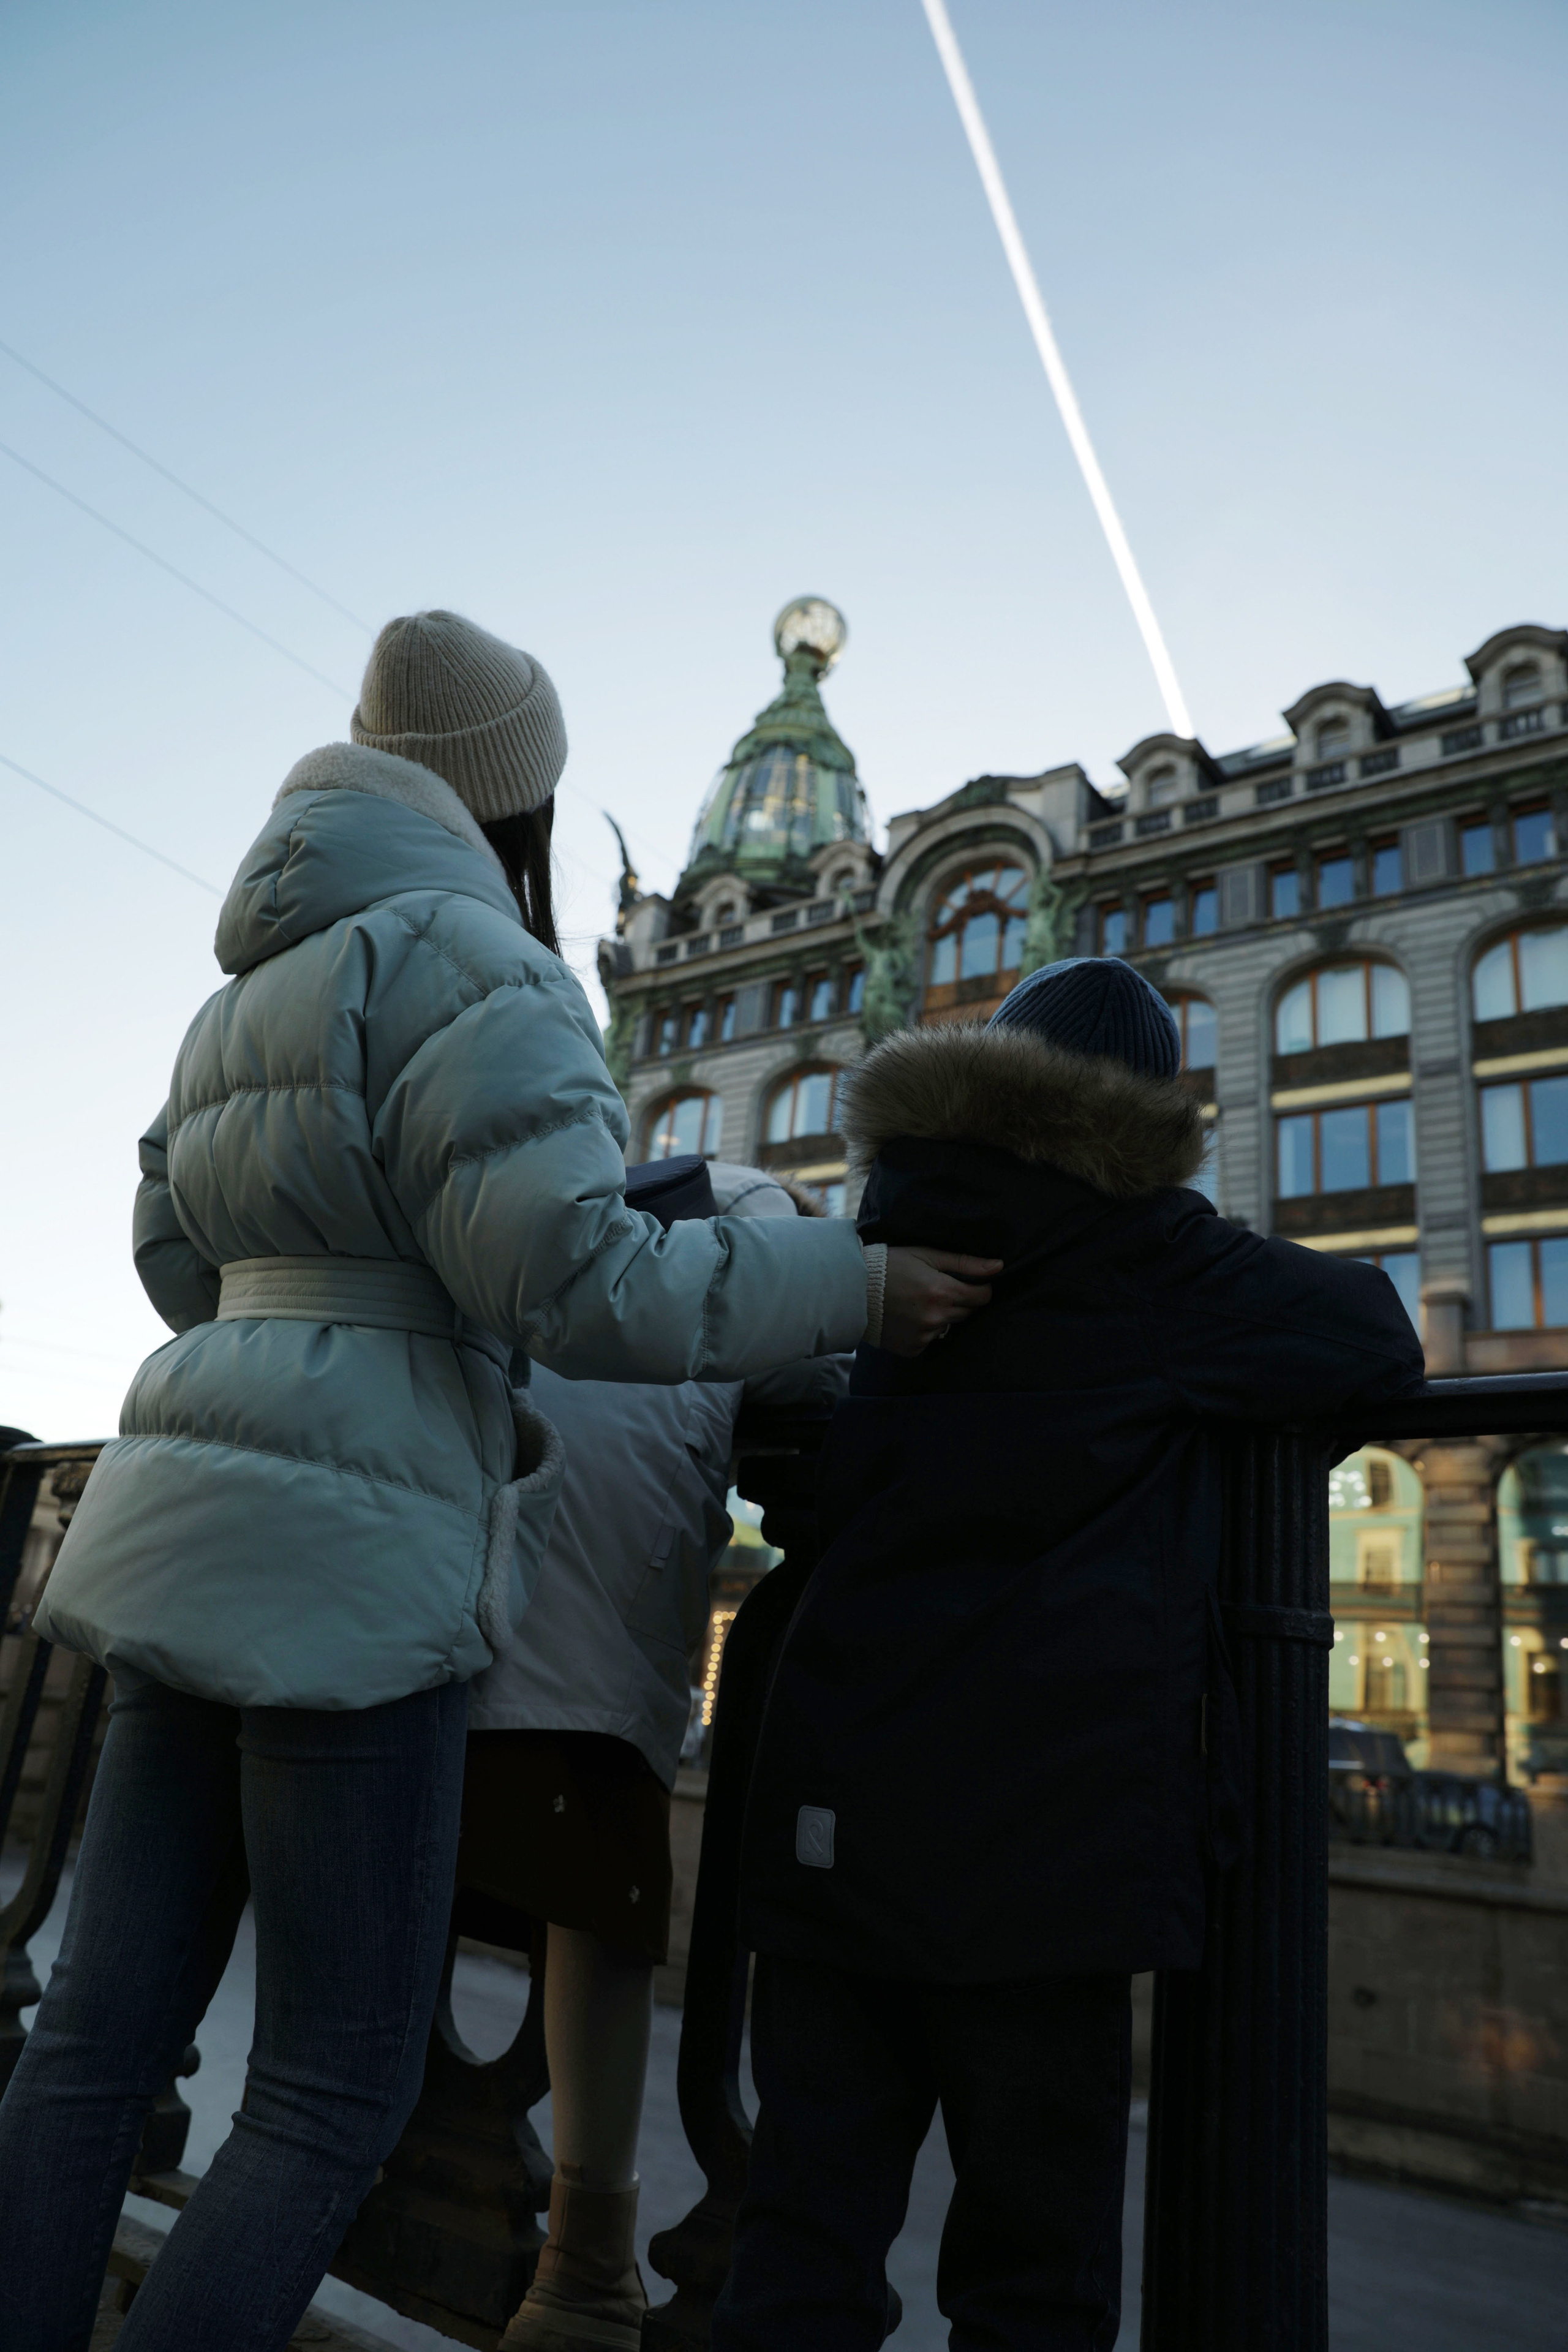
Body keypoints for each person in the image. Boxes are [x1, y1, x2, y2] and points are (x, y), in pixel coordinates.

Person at [0, 608, 997, 2352]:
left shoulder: (252, 980)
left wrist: (302, 1313)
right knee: (330, 2088)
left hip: (177, 1520)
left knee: (89, 2044)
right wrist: (850, 1279)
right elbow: (581, 1281)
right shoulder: (486, 965)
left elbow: (170, 1246)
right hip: (361, 1550)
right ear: (514, 800)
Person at [715, 957, 1426, 2352]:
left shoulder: (885, 1230)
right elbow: (1371, 1340)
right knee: (1030, 2284)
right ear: (1146, 1107)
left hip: (835, 1806)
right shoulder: (1149, 1254)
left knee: (800, 2242)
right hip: (1044, 1847)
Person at [457, 1156, 846, 2352]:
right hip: (602, 1645)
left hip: (427, 1607)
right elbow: (813, 1361)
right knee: (607, 1924)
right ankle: (585, 2270)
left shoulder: (521, 1204)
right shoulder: (757, 1211)